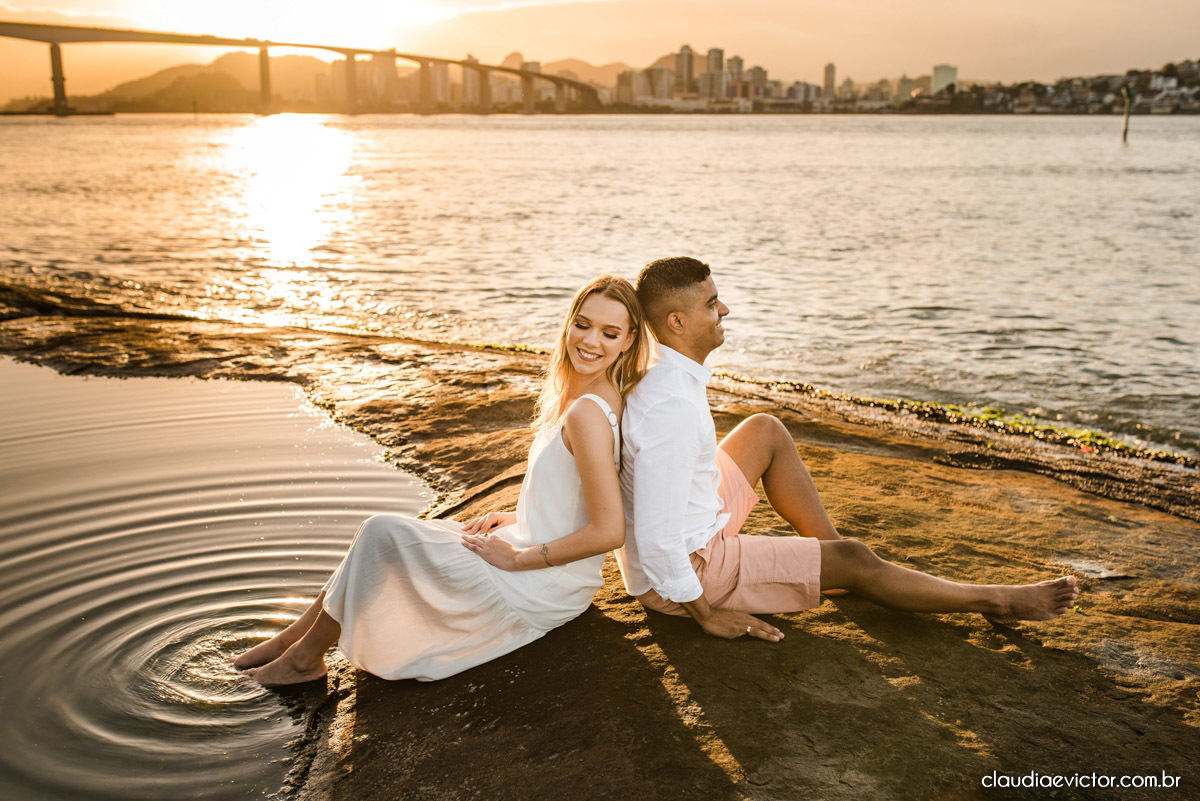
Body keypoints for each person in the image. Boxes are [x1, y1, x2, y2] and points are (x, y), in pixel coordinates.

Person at [616, 257, 1079, 642]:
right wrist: (707, 615)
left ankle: (831, 563)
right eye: (712, 303)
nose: (726, 310)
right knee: (857, 557)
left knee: (765, 430)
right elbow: (657, 538)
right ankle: (996, 600)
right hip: (690, 573)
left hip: (692, 526)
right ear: (677, 322)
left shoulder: (669, 372)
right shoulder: (670, 406)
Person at [236, 275, 650, 685]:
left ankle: (303, 660)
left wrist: (517, 558)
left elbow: (609, 530)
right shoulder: (582, 397)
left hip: (542, 585)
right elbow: (577, 492)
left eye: (609, 333)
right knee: (376, 537)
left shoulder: (588, 413)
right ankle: (293, 639)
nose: (591, 341)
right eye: (583, 324)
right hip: (534, 548)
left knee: (381, 533)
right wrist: (519, 516)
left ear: (628, 341)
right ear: (569, 323)